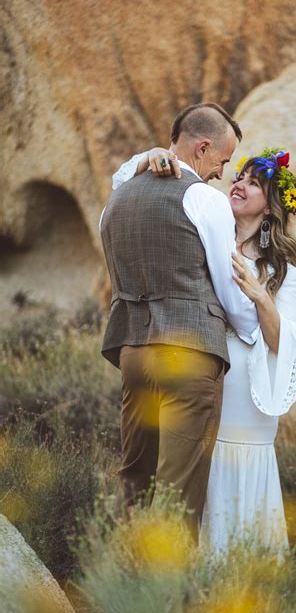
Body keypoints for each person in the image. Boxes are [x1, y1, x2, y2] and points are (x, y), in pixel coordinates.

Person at [113, 143, 296, 552]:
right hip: (202, 381)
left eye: (253, 184)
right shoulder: (206, 233)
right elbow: (134, 187)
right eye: (238, 176)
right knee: (193, 477)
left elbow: (281, 342)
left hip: (247, 404)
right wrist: (148, 156)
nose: (238, 184)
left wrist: (260, 296)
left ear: (270, 207)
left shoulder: (285, 273)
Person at [100, 103, 261, 539]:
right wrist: (251, 329)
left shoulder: (118, 196)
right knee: (178, 497)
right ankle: (166, 605)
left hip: (133, 352)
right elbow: (230, 287)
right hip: (189, 358)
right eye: (222, 161)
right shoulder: (204, 200)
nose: (220, 174)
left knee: (135, 482)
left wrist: (143, 158)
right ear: (202, 147)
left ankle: (121, 593)